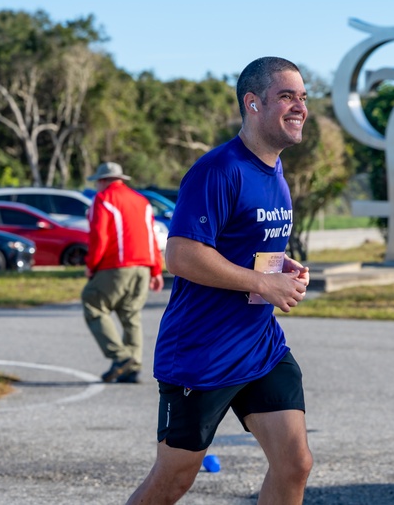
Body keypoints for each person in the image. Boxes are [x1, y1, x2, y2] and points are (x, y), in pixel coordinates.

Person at [126, 57, 312, 504]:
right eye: (286, 96)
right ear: (253, 103)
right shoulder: (219, 169)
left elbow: (244, 246)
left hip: (259, 345)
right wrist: (263, 283)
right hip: (201, 354)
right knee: (174, 478)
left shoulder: (276, 173)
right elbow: (181, 253)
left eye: (303, 97)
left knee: (295, 462)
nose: (300, 107)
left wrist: (279, 268)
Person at [81, 161, 164, 384]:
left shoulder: (104, 199)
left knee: (92, 302)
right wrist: (156, 269)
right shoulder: (142, 201)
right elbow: (151, 236)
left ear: (103, 180)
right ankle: (132, 367)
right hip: (143, 268)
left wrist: (92, 265)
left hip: (117, 266)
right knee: (130, 315)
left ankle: (121, 357)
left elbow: (99, 237)